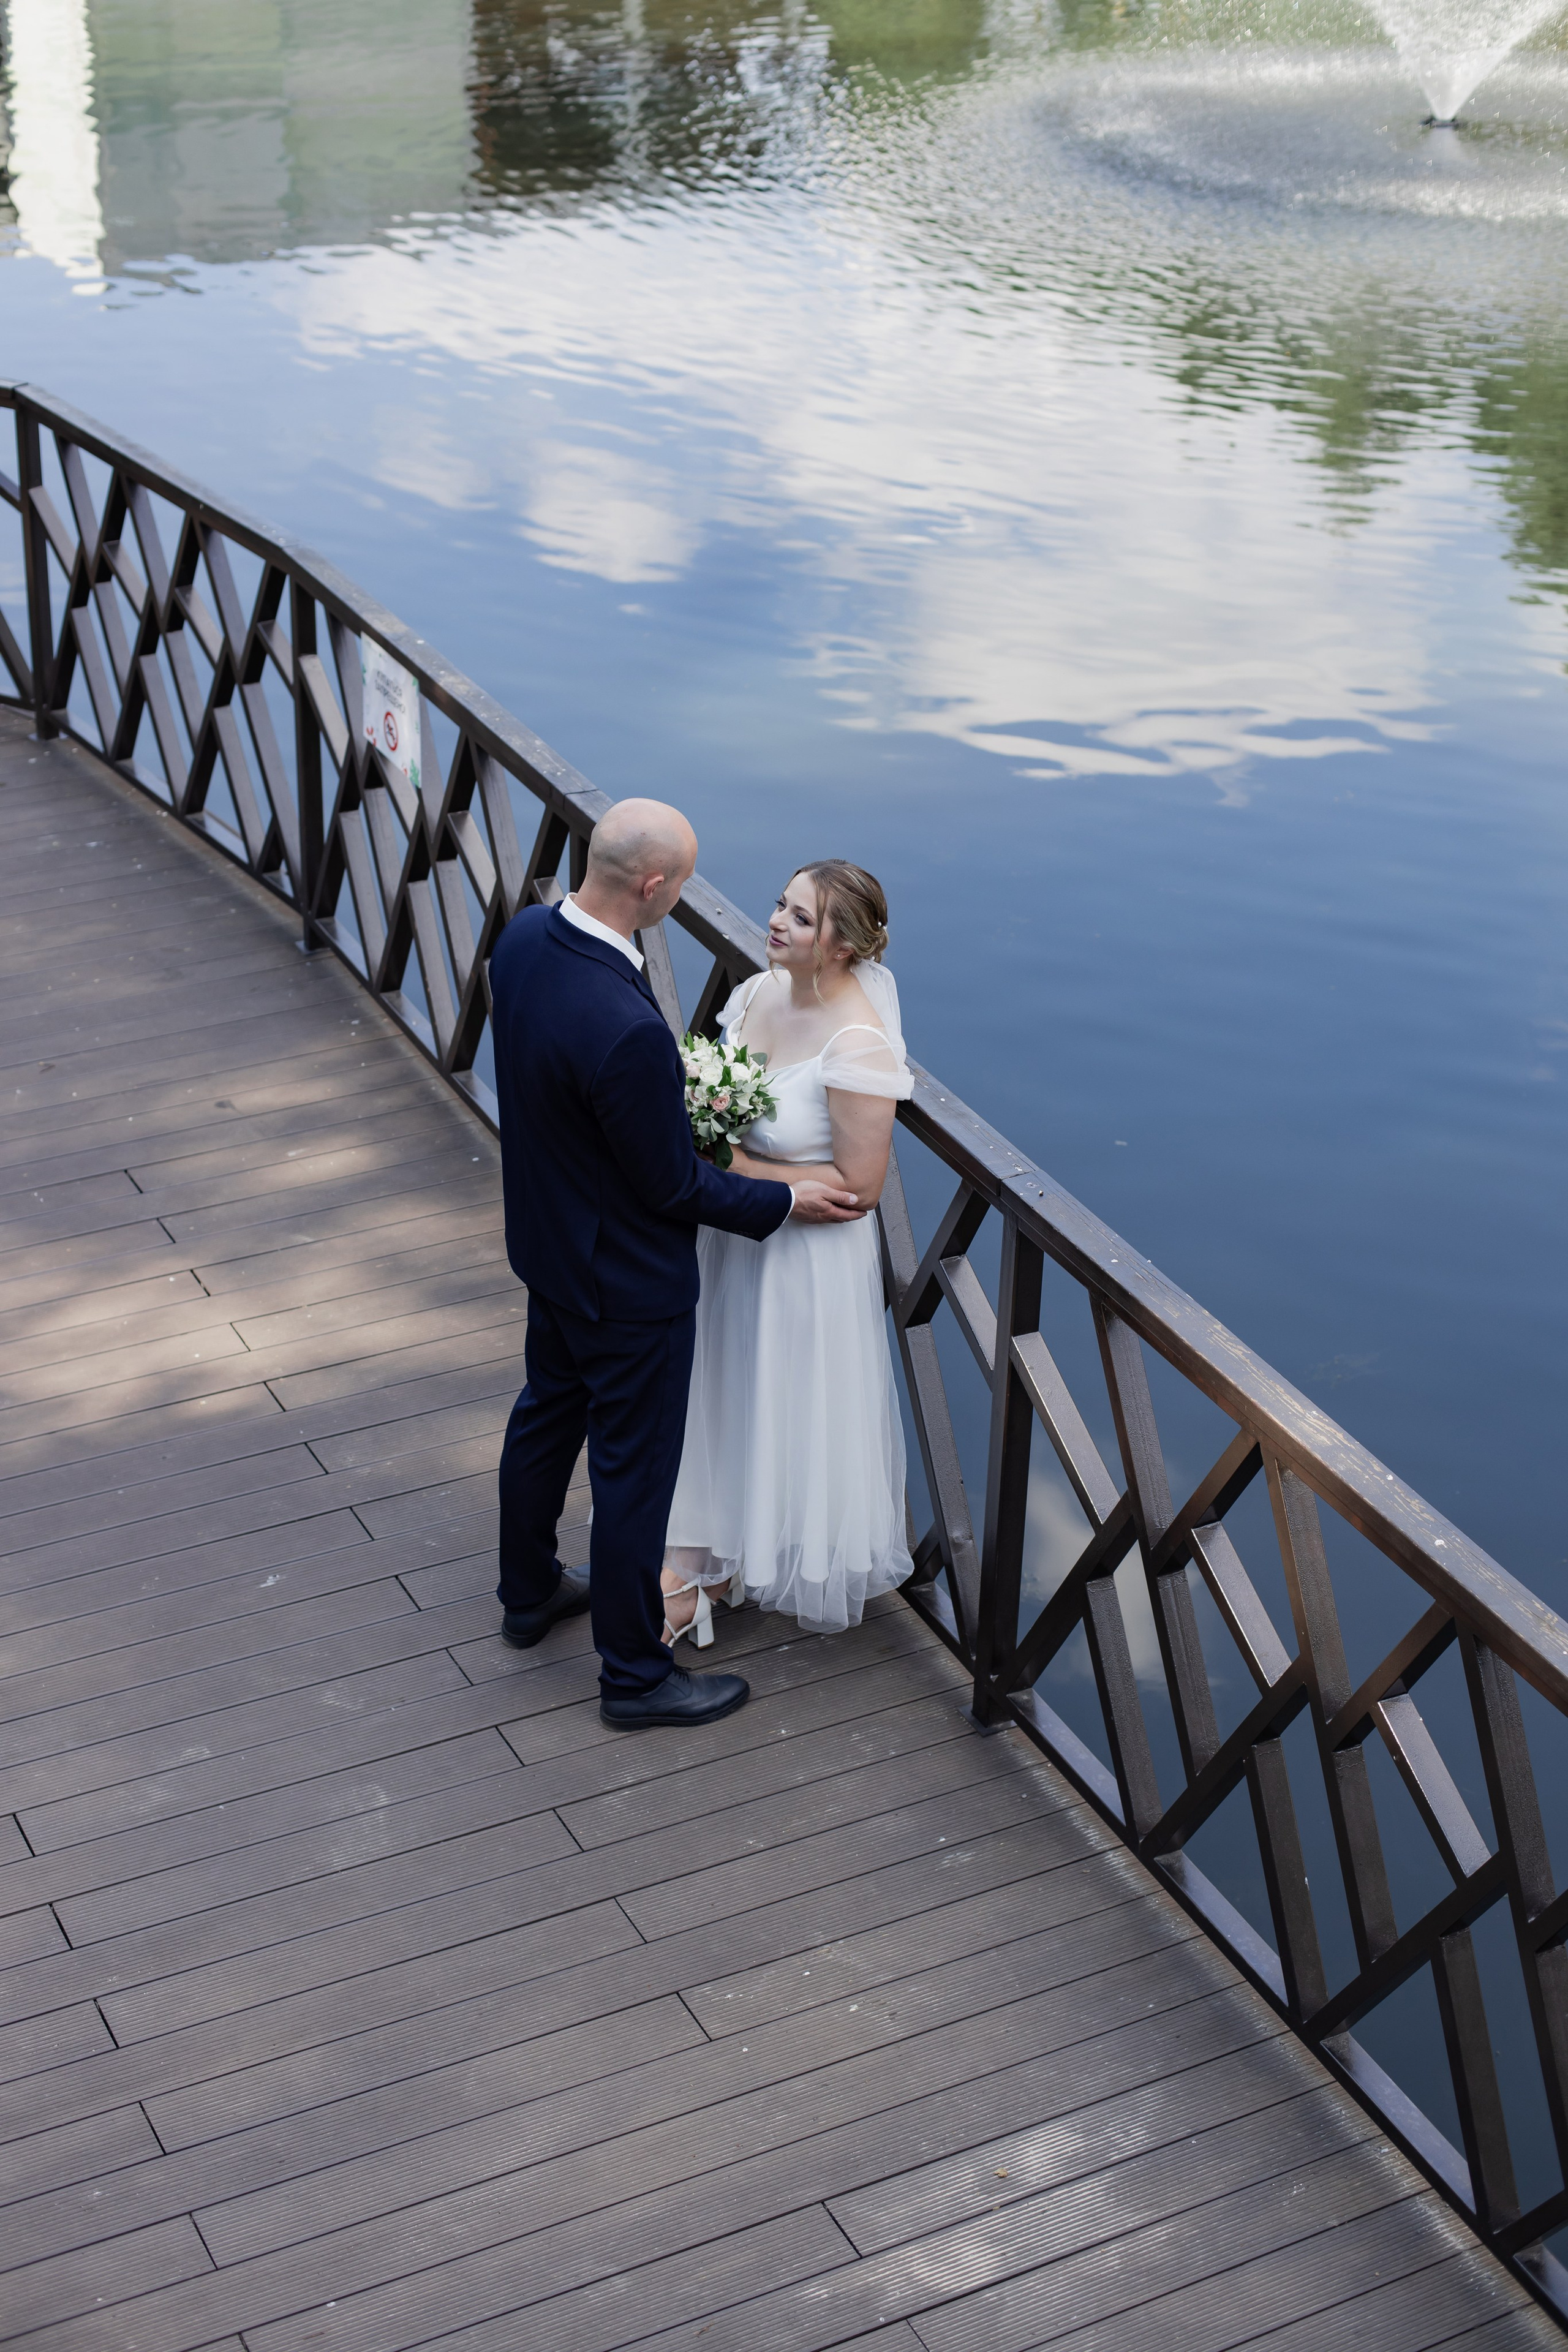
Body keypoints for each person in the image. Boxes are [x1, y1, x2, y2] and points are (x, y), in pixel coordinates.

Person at [488, 799, 862, 1730]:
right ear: (653, 888)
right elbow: (671, 1190)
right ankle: (634, 1678)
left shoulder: (527, 938)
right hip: (626, 1283)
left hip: (548, 1245)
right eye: (683, 882)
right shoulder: (626, 1027)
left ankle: (528, 1593)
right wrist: (784, 1200)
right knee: (632, 1474)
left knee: (545, 1416)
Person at [661, 860, 916, 1646]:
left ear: (842, 947)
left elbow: (858, 1187)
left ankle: (695, 1576)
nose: (775, 922)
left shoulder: (859, 1044)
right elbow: (711, 1111)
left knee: (773, 1391)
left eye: (800, 919)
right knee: (720, 1385)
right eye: (781, 905)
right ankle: (707, 1558)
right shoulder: (755, 993)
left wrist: (734, 1168)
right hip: (734, 1239)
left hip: (803, 1260)